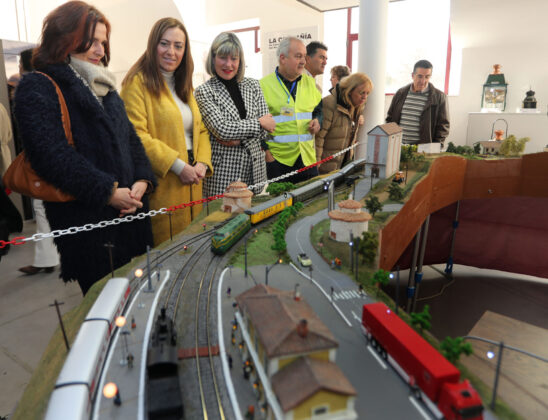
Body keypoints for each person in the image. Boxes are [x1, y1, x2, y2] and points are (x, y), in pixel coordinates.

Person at [14, 1, 155, 294]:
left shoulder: (105, 85)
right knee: (106, 311)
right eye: (90, 40)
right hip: (90, 225)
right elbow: (50, 155)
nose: (100, 50)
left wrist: (142, 180)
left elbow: (131, 140)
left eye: (103, 42)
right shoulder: (39, 85)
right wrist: (107, 192)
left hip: (130, 215)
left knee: (137, 307)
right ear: (64, 36)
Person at [121, 18, 212, 246]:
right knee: (168, 252)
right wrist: (179, 166)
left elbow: (200, 129)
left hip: (194, 179)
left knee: (193, 246)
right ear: (153, 45)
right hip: (164, 181)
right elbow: (136, 135)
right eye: (164, 43)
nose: (171, 51)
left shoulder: (184, 84)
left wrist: (202, 163)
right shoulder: (136, 83)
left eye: (178, 46)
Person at [194, 32, 273, 196]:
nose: (228, 64)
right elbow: (222, 129)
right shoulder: (204, 91)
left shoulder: (253, 85)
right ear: (213, 58)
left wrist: (237, 140)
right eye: (223, 57)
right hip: (223, 177)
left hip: (254, 173)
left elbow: (268, 127)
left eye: (234, 58)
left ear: (240, 60)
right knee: (222, 221)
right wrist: (258, 123)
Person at [12, 48, 61, 276]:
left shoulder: (32, 89)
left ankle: (46, 259)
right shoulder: (49, 85)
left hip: (43, 160)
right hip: (51, 157)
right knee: (44, 207)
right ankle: (47, 257)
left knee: (42, 207)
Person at [260, 37, 322, 184]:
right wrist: (269, 157)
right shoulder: (262, 86)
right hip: (279, 162)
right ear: (283, 58)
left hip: (307, 160)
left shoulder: (310, 83)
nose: (303, 62)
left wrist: (318, 121)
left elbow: (318, 110)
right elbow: (257, 127)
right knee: (281, 205)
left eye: (304, 57)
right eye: (298, 56)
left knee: (311, 204)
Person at [316, 73, 372, 174]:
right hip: (324, 170)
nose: (364, 97)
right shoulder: (329, 104)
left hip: (342, 168)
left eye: (367, 93)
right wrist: (315, 169)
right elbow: (318, 139)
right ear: (350, 90)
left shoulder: (356, 107)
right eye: (361, 93)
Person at [386, 59, 449, 147]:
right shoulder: (400, 93)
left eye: (427, 77)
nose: (423, 81)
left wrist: (435, 147)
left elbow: (443, 126)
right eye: (420, 76)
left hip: (424, 150)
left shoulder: (439, 97)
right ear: (412, 75)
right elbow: (390, 119)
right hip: (398, 147)